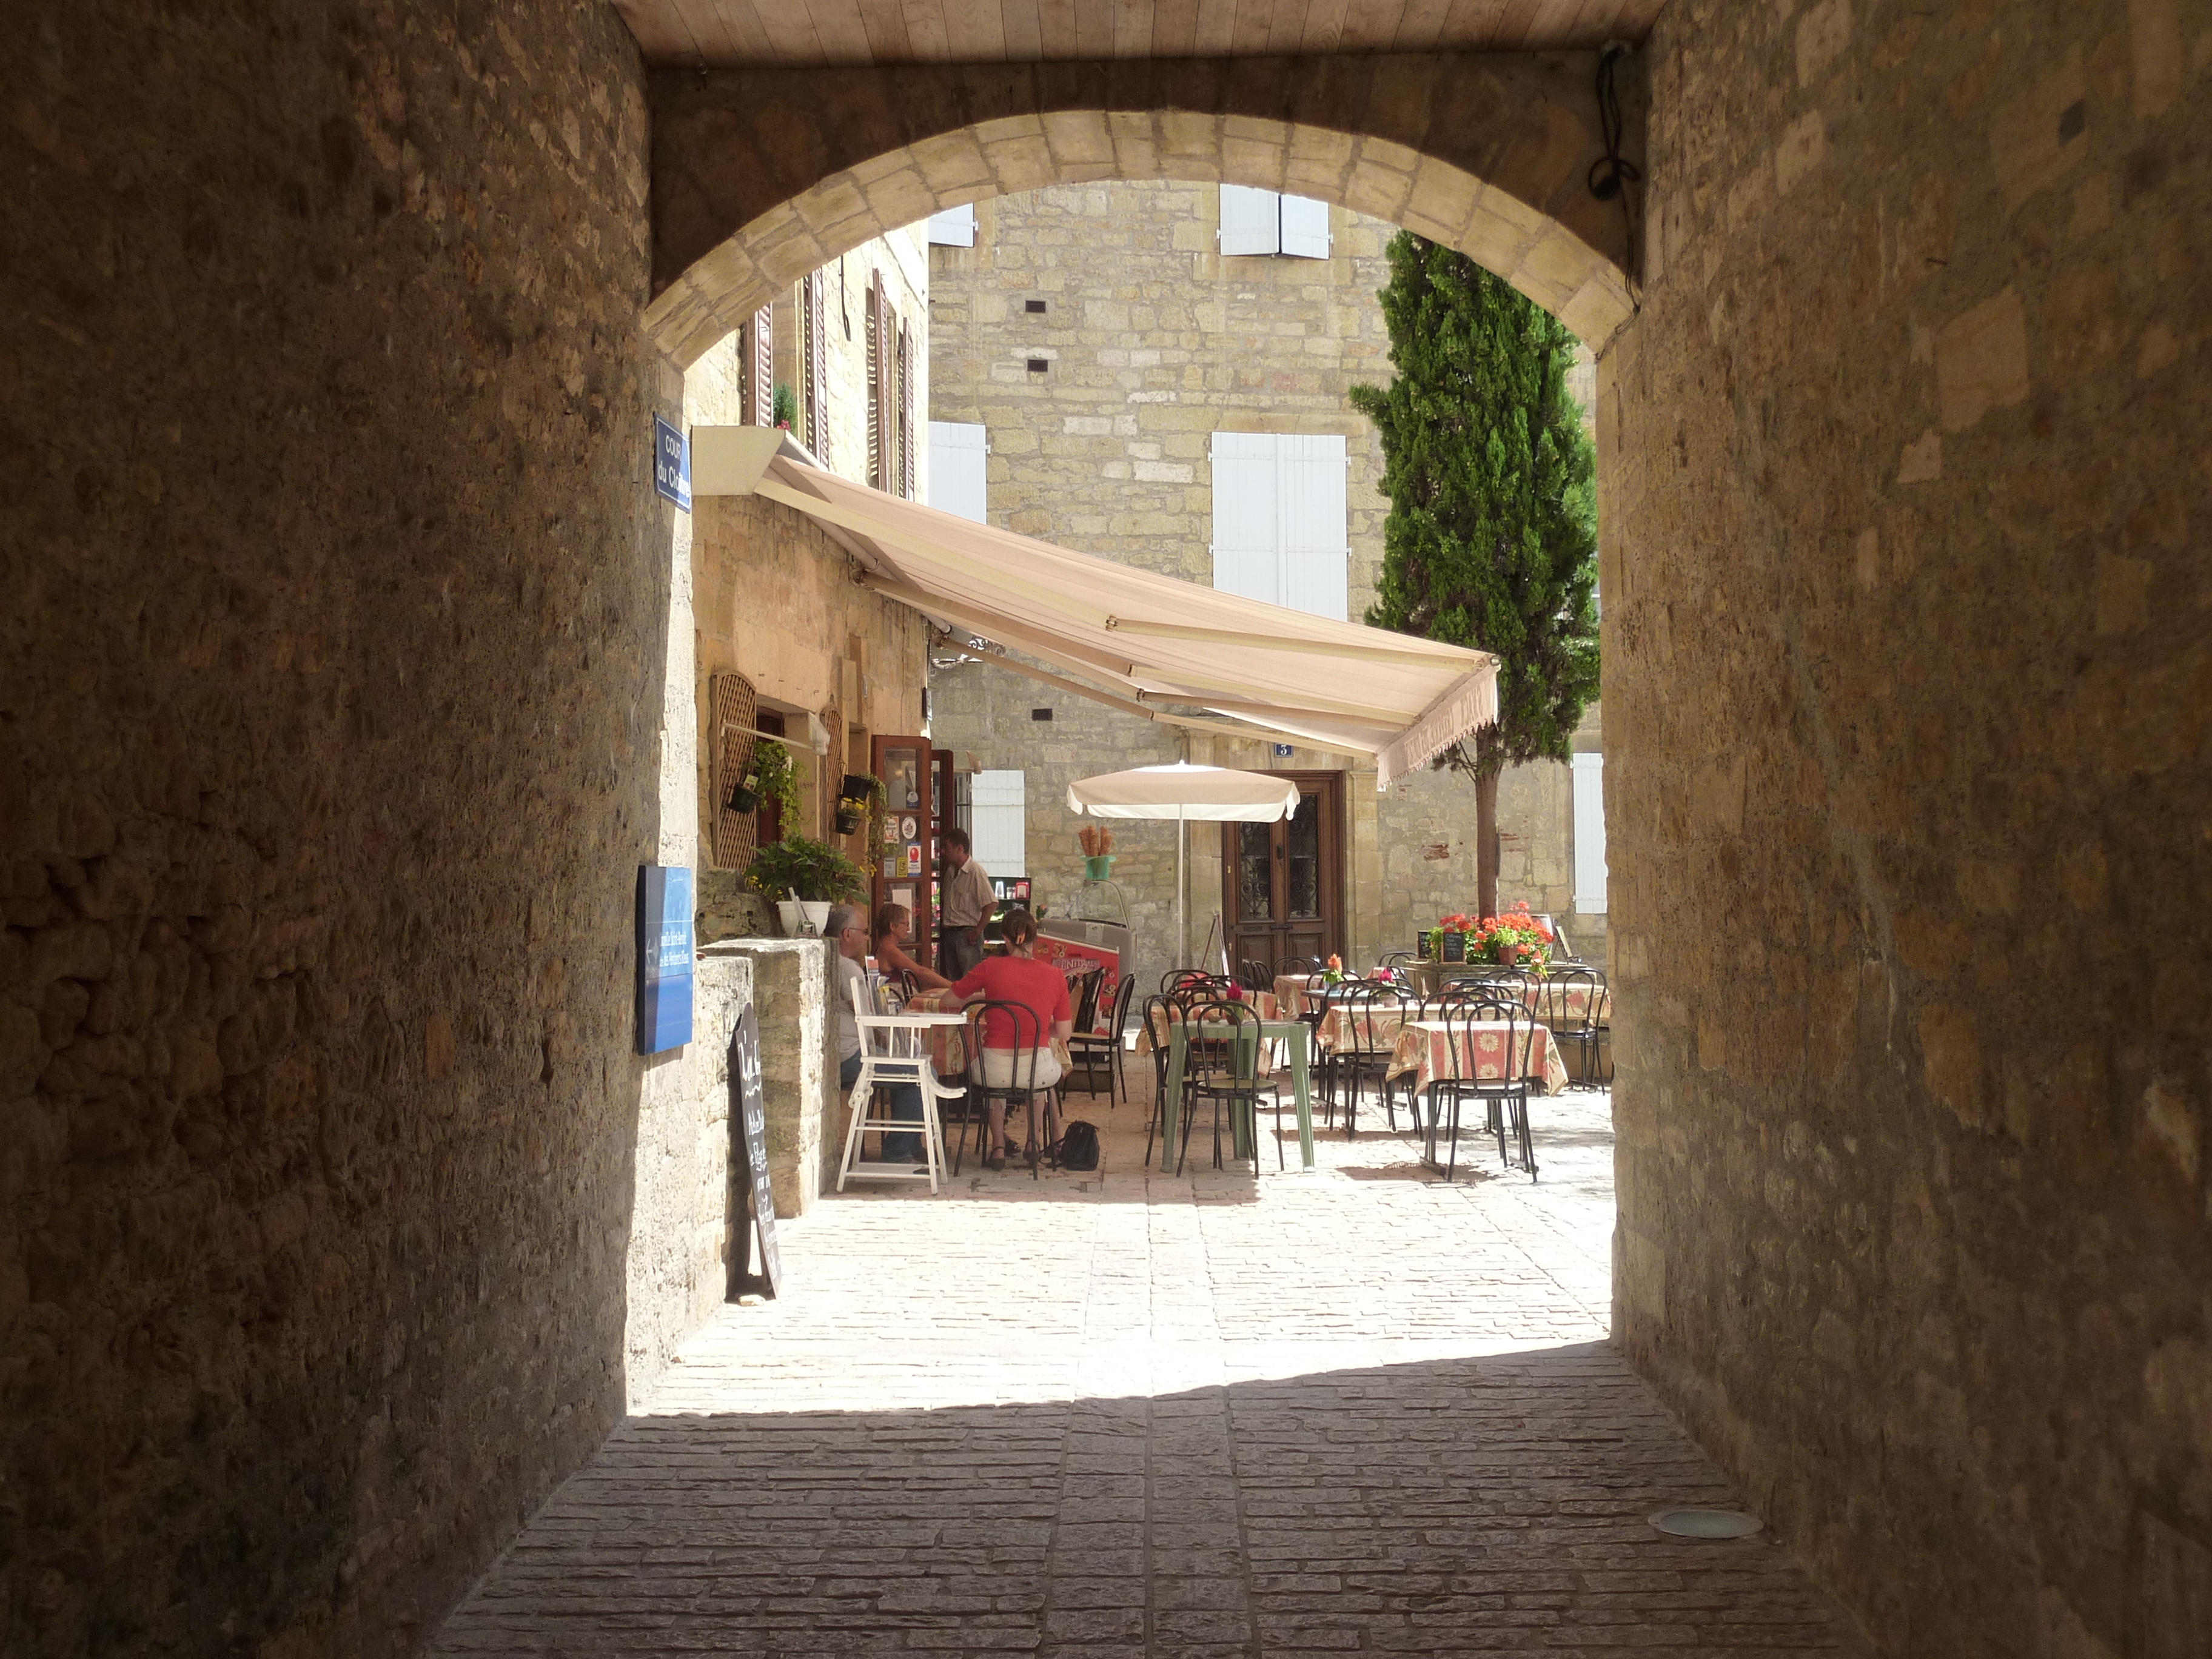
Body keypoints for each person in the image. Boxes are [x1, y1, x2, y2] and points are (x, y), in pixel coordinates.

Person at [950, 908, 1073, 1171]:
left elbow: (948, 1001)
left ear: (1005, 940)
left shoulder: (990, 967)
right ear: (1035, 939)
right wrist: (1038, 1029)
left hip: (992, 1070)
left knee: (996, 1081)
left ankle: (997, 1146)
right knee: (1040, 1082)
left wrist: (977, 998)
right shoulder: (1055, 976)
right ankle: (1034, 1142)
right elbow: (1064, 1034)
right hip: (1036, 1070)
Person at [828, 903, 927, 1167]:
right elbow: (865, 1014)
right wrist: (888, 1033)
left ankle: (910, 1144)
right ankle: (898, 1152)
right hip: (852, 1057)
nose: (867, 938)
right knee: (919, 1073)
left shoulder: (838, 964)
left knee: (907, 1068)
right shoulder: (847, 968)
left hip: (847, 1053)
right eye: (863, 932)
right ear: (847, 934)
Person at [937, 826, 993, 980]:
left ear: (959, 848)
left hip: (966, 934)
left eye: (947, 848)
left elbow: (991, 904)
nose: (943, 852)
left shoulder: (975, 872)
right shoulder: (950, 871)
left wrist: (978, 931)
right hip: (950, 932)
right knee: (953, 981)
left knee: (970, 980)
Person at [873, 902, 952, 992]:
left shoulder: (881, 945)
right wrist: (953, 987)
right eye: (906, 924)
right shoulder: (888, 948)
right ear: (892, 926)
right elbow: (921, 972)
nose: (908, 929)